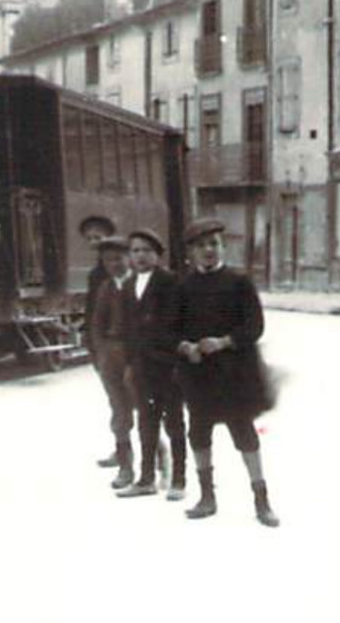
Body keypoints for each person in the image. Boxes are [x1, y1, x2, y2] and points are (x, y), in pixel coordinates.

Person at [175, 218, 279, 527]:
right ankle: (207, 497)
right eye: (201, 246)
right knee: (199, 433)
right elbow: (168, 328)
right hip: (197, 375)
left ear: (223, 247)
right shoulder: (183, 286)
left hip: (234, 374)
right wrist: (185, 347)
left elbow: (255, 327)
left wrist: (223, 342)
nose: (208, 250)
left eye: (214, 244)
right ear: (191, 252)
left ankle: (262, 501)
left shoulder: (239, 282)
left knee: (244, 433)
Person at [114, 228, 187, 501]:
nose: (141, 256)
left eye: (146, 250)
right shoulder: (129, 285)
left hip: (169, 366)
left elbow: (177, 324)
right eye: (135, 251)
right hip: (142, 367)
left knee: (175, 422)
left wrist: (175, 359)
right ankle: (146, 479)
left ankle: (179, 479)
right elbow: (128, 330)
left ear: (157, 255)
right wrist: (130, 363)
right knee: (146, 422)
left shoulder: (171, 283)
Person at [87, 236, 137, 489]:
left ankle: (160, 456)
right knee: (118, 409)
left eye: (118, 258)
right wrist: (100, 355)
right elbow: (96, 324)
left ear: (129, 258)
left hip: (135, 355)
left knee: (144, 408)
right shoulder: (105, 288)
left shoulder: (138, 285)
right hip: (110, 355)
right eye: (108, 260)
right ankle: (126, 465)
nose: (114, 264)